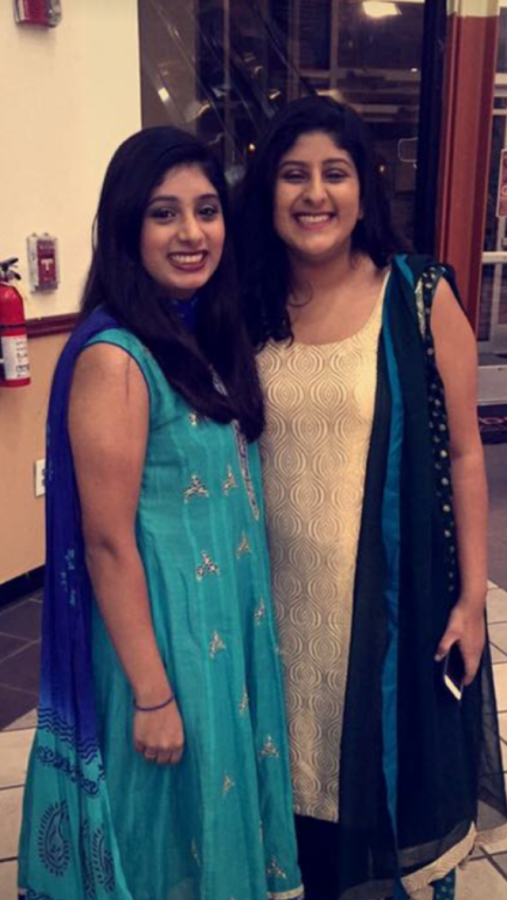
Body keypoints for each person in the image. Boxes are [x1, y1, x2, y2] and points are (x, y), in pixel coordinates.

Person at [18, 126, 303, 900]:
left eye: (206, 211)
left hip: (219, 634)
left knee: (207, 828)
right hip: (166, 647)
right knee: (163, 840)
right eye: (163, 214)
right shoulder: (118, 357)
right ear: (124, 228)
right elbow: (107, 544)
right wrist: (152, 693)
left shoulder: (196, 337)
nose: (191, 234)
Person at [237, 95, 507, 900]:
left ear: (363, 190)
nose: (313, 194)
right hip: (272, 604)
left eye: (334, 173)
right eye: (292, 175)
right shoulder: (243, 304)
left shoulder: (418, 297)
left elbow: (464, 453)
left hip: (389, 602)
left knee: (384, 792)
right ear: (267, 191)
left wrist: (468, 601)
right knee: (294, 792)